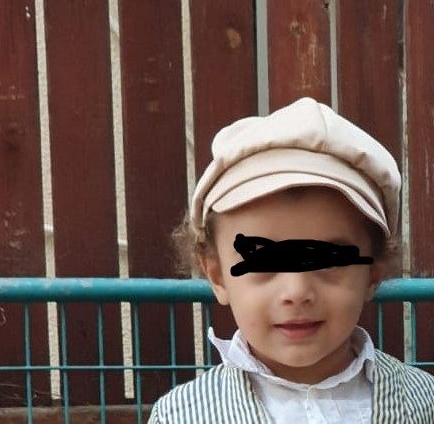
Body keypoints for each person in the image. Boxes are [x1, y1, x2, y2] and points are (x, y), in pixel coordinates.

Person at [148, 97, 434, 423]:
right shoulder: (180, 416)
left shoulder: (424, 403)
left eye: (328, 258)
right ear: (217, 275)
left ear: (373, 272)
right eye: (264, 259)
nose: (296, 291)